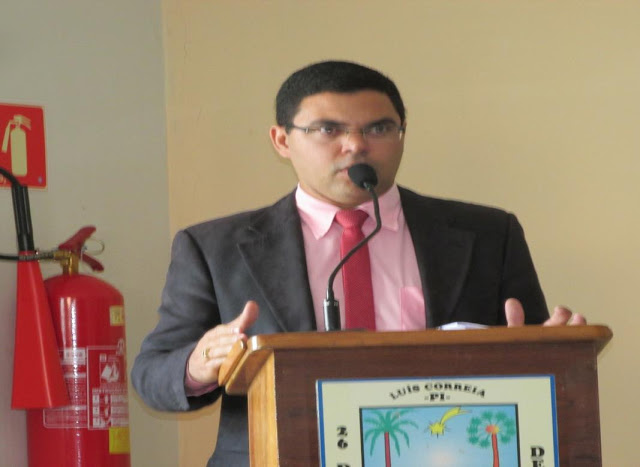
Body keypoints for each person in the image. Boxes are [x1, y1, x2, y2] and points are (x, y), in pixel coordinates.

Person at [131, 60, 585, 466]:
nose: (355, 146)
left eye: (379, 129)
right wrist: (197, 364)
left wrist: (550, 350)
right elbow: (152, 374)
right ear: (282, 140)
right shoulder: (215, 248)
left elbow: (530, 347)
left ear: (402, 133)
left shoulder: (487, 234)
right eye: (328, 130)